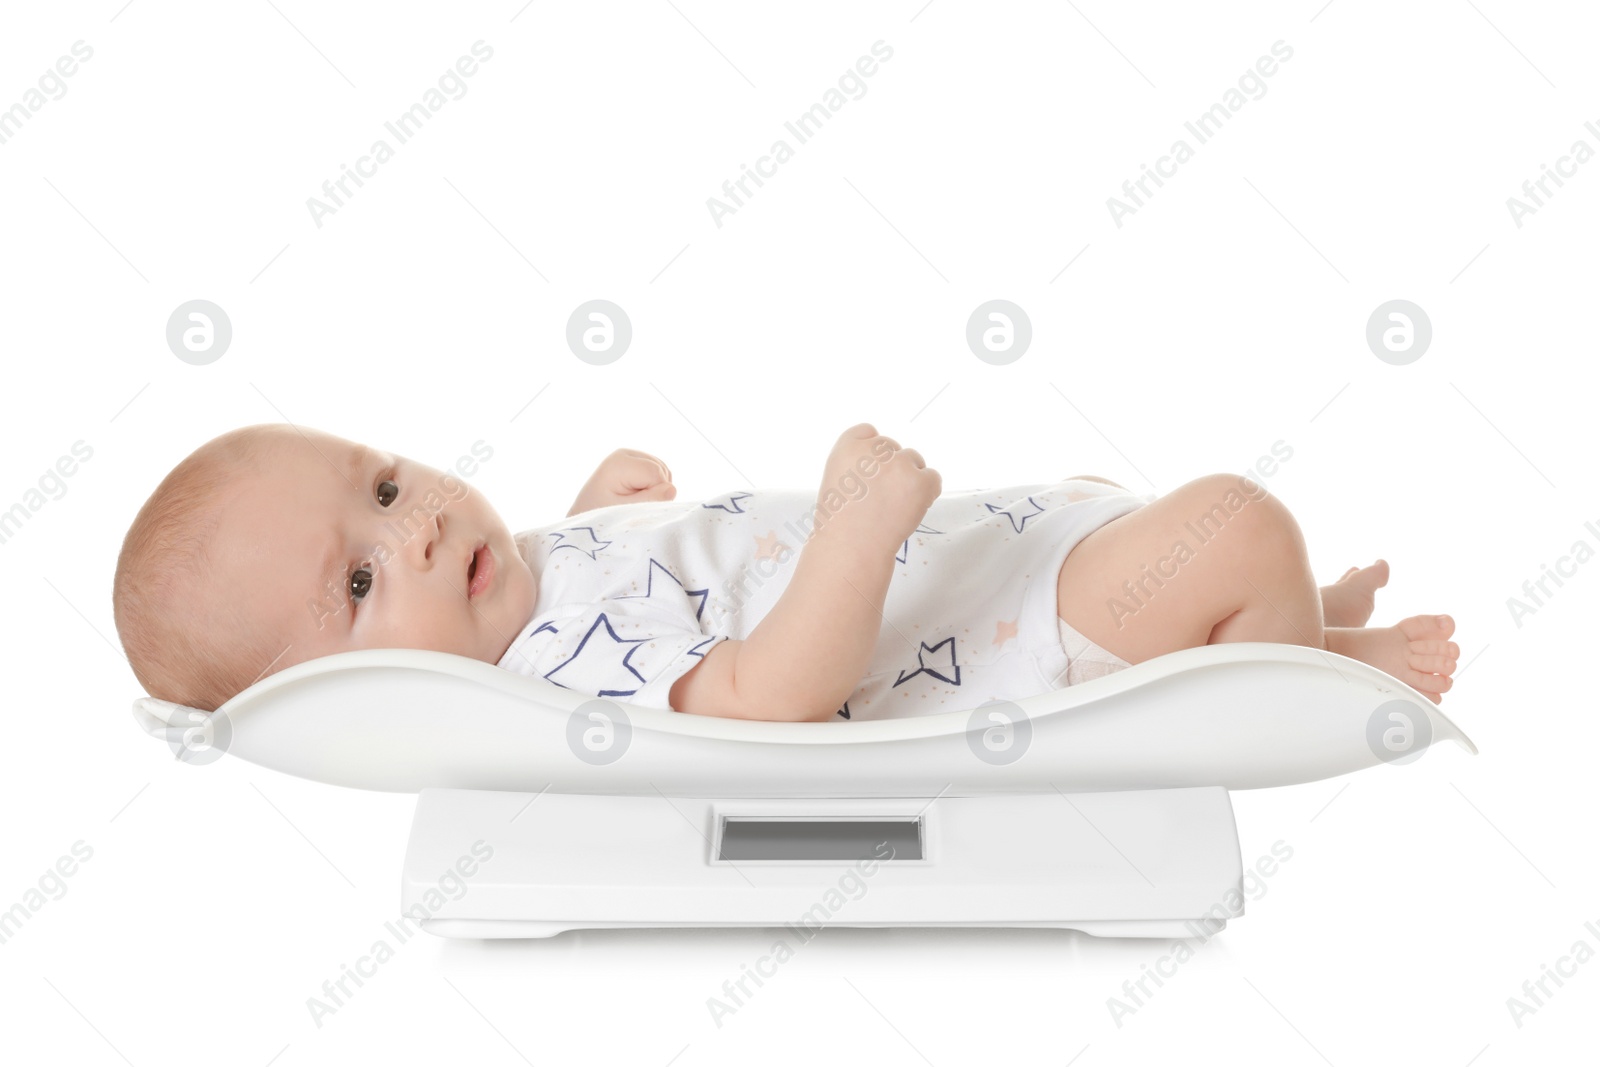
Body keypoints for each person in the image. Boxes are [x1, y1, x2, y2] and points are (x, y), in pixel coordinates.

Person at [112, 422, 1457, 723]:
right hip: (1012, 637)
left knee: (1143, 511)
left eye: (386, 483)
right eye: (357, 584)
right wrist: (856, 534)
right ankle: (1311, 660)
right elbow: (763, 703)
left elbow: (612, 594)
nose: (408, 530)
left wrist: (604, 517)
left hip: (991, 554)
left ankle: (1264, 628)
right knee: (1234, 525)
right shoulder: (550, 674)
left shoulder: (517, 597)